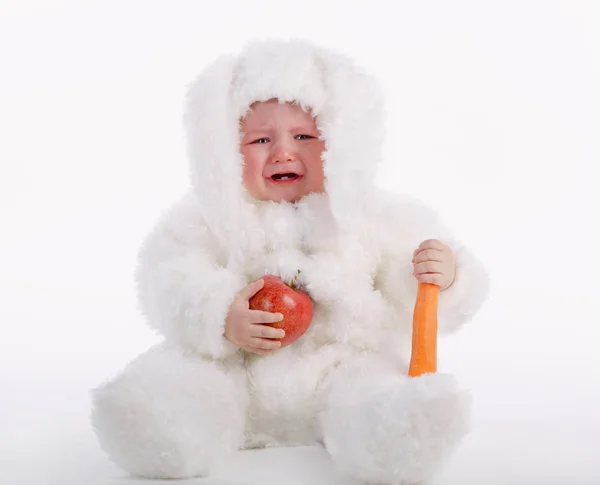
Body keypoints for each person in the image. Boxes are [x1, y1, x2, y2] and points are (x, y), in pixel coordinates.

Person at [91, 38, 490, 485]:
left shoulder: (372, 217)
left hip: (341, 365)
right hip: (237, 366)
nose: (283, 152)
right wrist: (220, 312)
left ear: (341, 143)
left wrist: (445, 275)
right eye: (261, 139)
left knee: (371, 386)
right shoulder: (208, 219)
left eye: (304, 137)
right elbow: (167, 274)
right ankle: (162, 427)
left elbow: (408, 274)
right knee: (187, 377)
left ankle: (393, 435)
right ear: (223, 152)